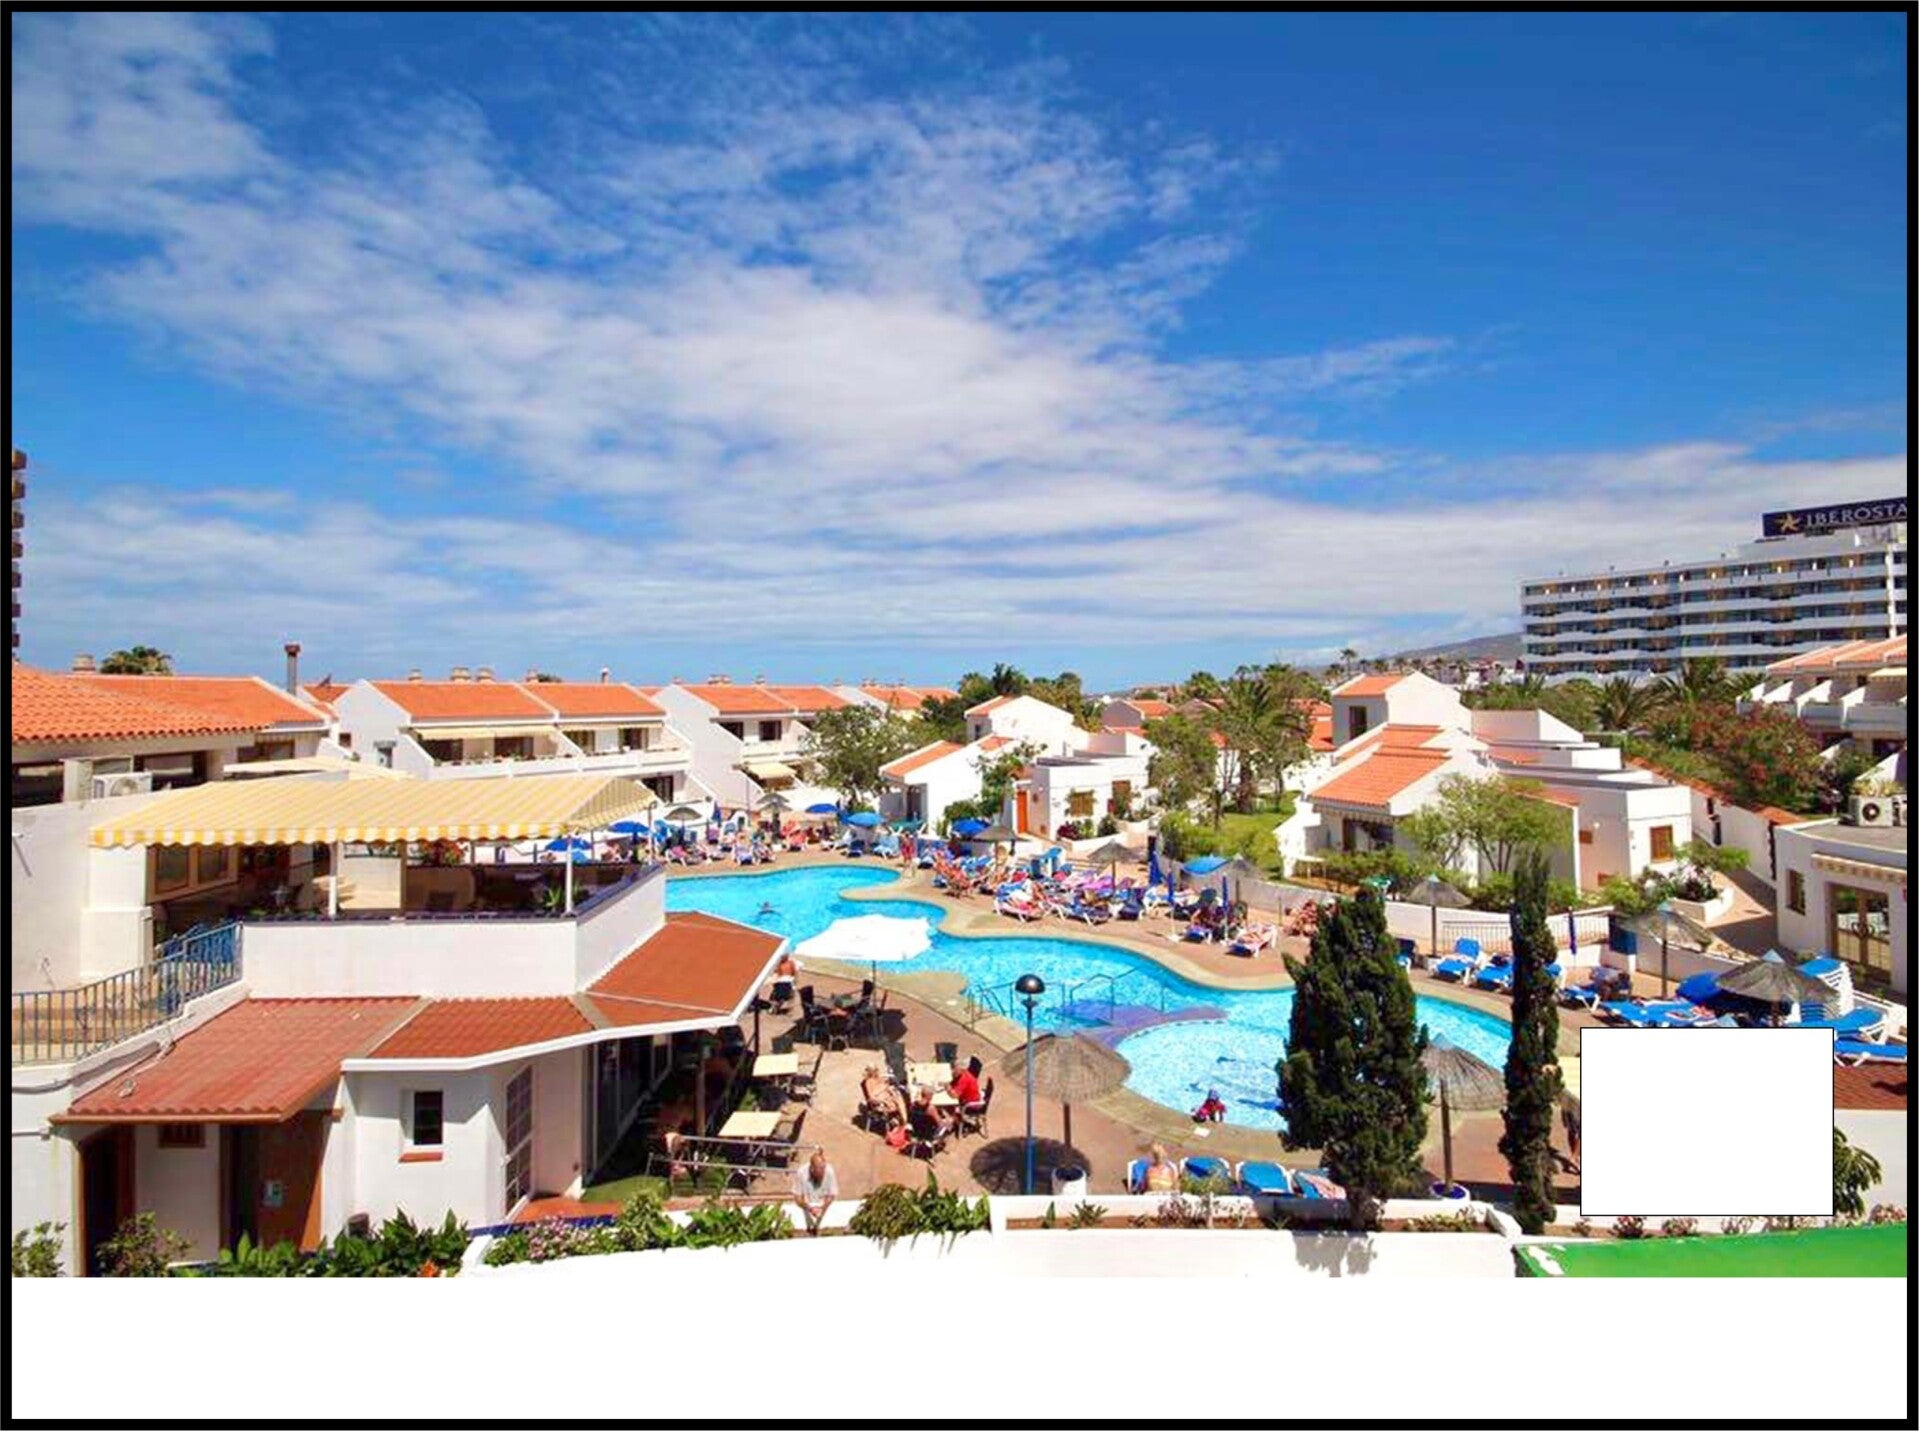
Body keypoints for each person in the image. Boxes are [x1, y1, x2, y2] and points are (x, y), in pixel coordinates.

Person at [792, 1150, 838, 1235]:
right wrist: (809, 1208)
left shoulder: (829, 1171)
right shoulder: (801, 1173)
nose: (822, 1176)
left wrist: (822, 1208)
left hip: (821, 1204)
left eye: (823, 1172)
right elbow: (797, 1198)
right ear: (812, 1169)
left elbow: (831, 1194)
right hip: (807, 1204)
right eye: (818, 1174)